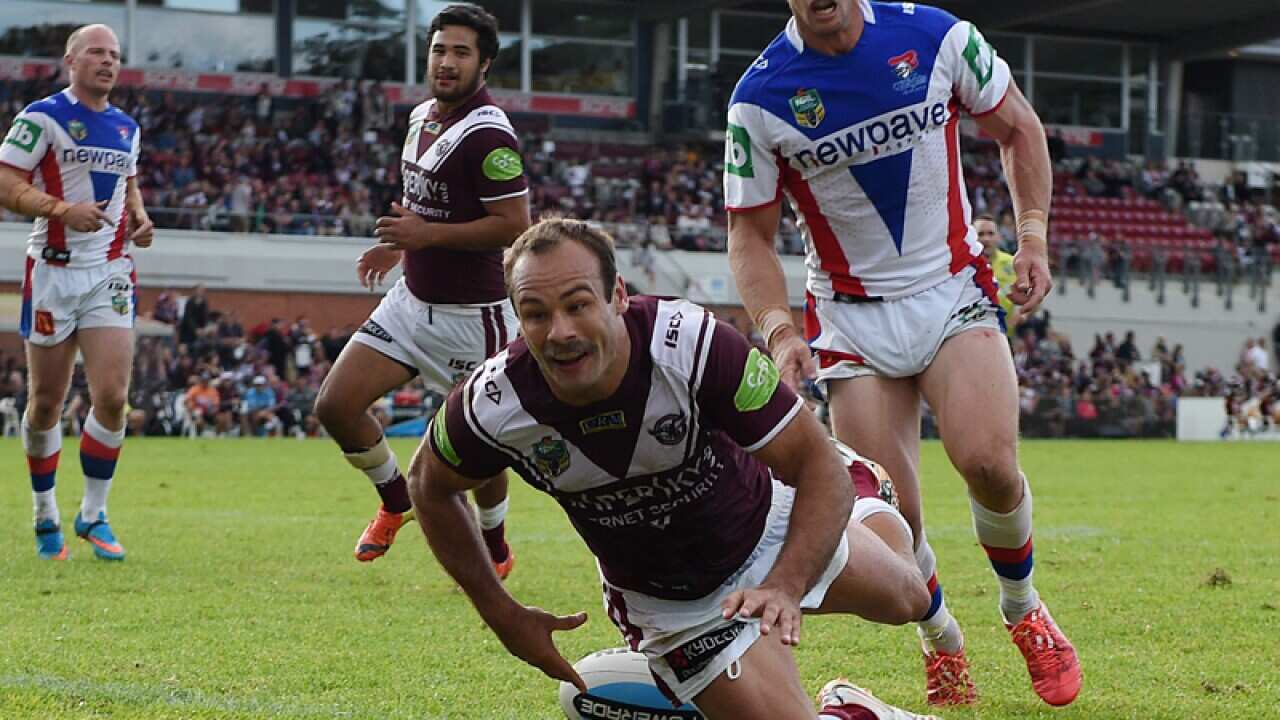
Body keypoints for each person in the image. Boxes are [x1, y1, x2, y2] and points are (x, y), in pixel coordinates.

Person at [409, 219, 937, 720]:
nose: (559, 332)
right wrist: (502, 614)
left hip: (762, 524)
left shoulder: (689, 343)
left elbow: (814, 463)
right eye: (536, 313)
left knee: (908, 597)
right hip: (671, 603)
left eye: (578, 304)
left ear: (617, 296)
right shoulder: (494, 402)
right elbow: (428, 487)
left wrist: (784, 585)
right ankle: (853, 708)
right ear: (516, 317)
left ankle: (862, 490)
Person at [723, 0, 1080, 707]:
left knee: (988, 462)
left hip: (951, 288)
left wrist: (1031, 235)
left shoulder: (936, 34)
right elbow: (750, 237)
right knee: (895, 523)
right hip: (851, 321)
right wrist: (780, 330)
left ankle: (1024, 609)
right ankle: (943, 641)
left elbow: (1019, 129)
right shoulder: (759, 98)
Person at [314, 5, 528, 571]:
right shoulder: (421, 117)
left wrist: (424, 233)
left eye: (461, 52)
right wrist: (400, 243)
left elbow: (515, 225)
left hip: (473, 317)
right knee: (335, 405)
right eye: (439, 50)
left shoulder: (490, 134)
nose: (447, 62)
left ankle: (495, 543)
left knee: (481, 454)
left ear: (484, 63)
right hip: (411, 303)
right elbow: (423, 198)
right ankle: (394, 500)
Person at [0, 24, 153, 561]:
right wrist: (62, 210)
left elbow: (128, 182)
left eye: (114, 55)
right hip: (52, 271)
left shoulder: (126, 126)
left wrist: (138, 215)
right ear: (71, 60)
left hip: (109, 271)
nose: (107, 62)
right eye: (96, 52)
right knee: (46, 404)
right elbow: (5, 182)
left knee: (112, 397)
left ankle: (93, 512)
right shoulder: (41, 117)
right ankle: (45, 514)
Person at [975, 214, 1018, 336]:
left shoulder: (1013, 264)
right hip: (974, 335)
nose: (986, 239)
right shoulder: (963, 267)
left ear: (998, 237)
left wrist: (1021, 316)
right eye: (981, 234)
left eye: (990, 233)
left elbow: (1032, 297)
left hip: (1007, 336)